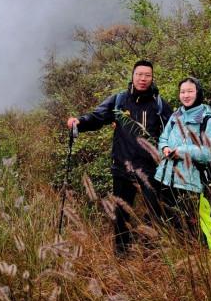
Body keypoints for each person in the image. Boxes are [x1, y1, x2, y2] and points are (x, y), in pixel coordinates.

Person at [67, 60, 172, 254]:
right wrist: (79, 122)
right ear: (132, 76)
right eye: (139, 74)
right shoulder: (119, 100)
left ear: (152, 78)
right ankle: (122, 253)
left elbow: (172, 130)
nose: (143, 79)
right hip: (122, 167)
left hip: (150, 168)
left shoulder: (159, 104)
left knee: (156, 212)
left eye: (147, 75)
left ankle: (152, 252)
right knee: (121, 214)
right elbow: (97, 117)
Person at [154, 77, 211, 241]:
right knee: (171, 224)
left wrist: (182, 151)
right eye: (183, 92)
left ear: (198, 93)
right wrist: (165, 148)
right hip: (166, 180)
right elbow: (163, 139)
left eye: (190, 91)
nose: (186, 95)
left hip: (190, 183)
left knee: (191, 227)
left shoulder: (207, 120)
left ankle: (197, 256)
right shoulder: (175, 116)